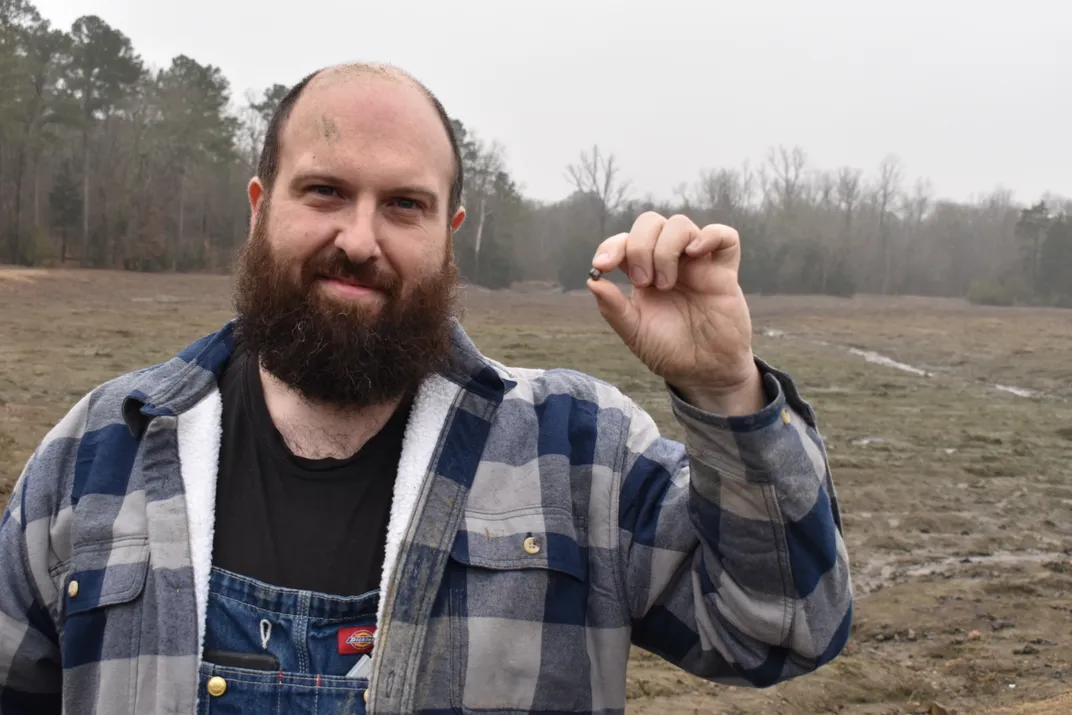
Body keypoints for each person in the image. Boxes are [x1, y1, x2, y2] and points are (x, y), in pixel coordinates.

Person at [0, 62, 852, 715]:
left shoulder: (578, 451)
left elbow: (781, 628)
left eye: (403, 205)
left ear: (450, 235)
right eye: (325, 190)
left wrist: (723, 387)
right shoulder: (99, 451)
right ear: (261, 207)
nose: (359, 239)